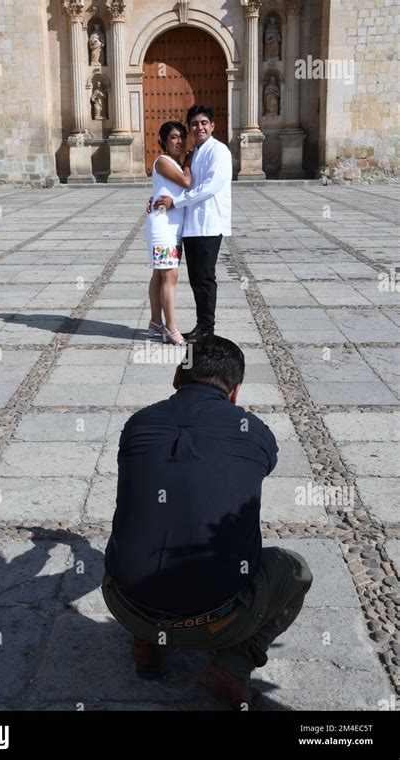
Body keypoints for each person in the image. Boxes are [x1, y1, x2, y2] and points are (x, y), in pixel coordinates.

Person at [102, 335, 313, 710]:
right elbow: (258, 465)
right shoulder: (254, 430)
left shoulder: (138, 424)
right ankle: (231, 667)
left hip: (125, 603)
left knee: (135, 542)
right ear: (235, 392)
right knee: (295, 570)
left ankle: (145, 645)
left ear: (175, 378)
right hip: (219, 619)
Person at [154, 105, 233, 343]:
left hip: (209, 224)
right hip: (191, 227)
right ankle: (200, 325)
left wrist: (176, 202)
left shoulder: (219, 151)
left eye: (204, 123)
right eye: (195, 124)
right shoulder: (194, 153)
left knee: (205, 278)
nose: (199, 127)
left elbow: (209, 188)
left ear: (212, 125)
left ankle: (207, 328)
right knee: (196, 279)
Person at [146, 121, 192, 347]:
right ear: (164, 141)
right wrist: (190, 163)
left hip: (174, 228)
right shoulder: (163, 161)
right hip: (162, 226)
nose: (179, 141)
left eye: (182, 137)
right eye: (173, 137)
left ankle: (156, 321)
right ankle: (172, 328)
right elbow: (185, 182)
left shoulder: (175, 162)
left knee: (160, 275)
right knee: (170, 275)